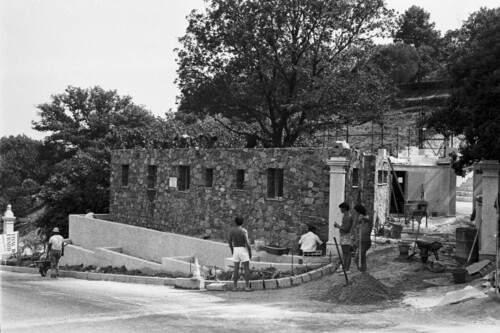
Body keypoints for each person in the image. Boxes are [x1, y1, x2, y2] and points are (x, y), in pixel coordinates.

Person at [228, 216, 253, 292]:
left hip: (235, 249)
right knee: (246, 268)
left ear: (235, 222)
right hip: (242, 249)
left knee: (236, 269)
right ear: (243, 222)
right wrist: (250, 252)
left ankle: (235, 287)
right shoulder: (243, 231)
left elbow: (229, 242)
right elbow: (247, 243)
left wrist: (232, 250)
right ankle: (247, 287)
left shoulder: (231, 231)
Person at [352, 205, 373, 272]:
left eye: (356, 212)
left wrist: (362, 217)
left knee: (357, 258)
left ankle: (362, 272)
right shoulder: (360, 220)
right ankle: (364, 272)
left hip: (365, 242)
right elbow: (358, 223)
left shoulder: (367, 217)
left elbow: (368, 218)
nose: (356, 214)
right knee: (362, 258)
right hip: (360, 242)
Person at [334, 202, 353, 273]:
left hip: (346, 236)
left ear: (344, 208)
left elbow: (347, 229)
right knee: (344, 253)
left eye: (341, 208)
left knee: (347, 253)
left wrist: (338, 226)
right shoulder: (345, 216)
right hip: (343, 236)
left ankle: (347, 269)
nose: (340, 210)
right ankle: (344, 268)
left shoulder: (349, 217)